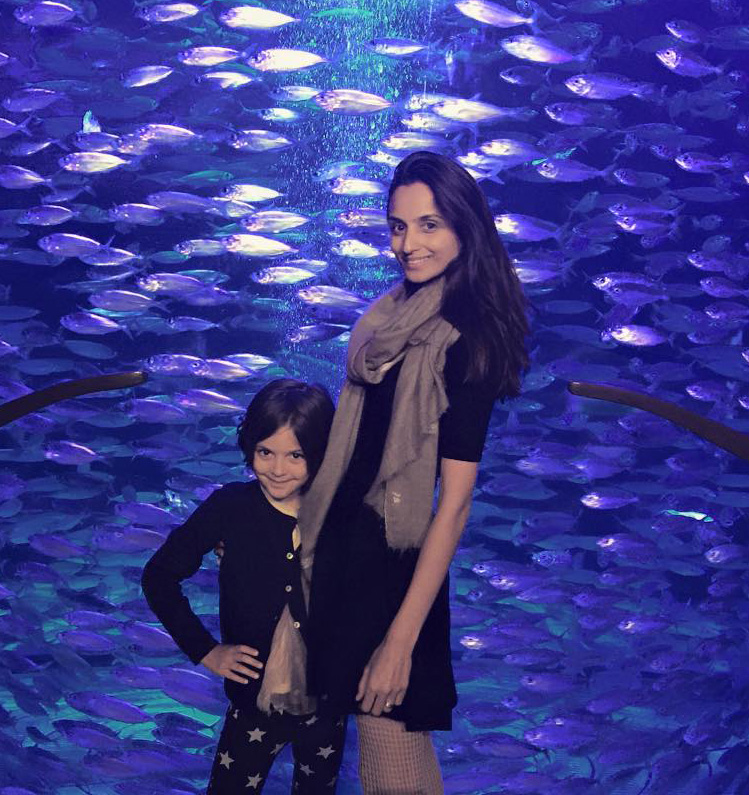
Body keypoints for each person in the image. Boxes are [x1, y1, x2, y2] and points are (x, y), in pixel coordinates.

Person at [297, 151, 529, 793]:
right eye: (398, 226)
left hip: (396, 571)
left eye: (429, 225)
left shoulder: (468, 338)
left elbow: (452, 506)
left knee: (389, 749)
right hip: (350, 554)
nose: (408, 243)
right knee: (393, 760)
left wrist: (401, 639)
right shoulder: (394, 314)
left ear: (465, 227)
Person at [141, 379, 347, 794]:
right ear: (249, 446)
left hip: (328, 705)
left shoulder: (344, 515)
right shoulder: (230, 507)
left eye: (296, 455)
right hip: (251, 703)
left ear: (322, 454)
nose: (277, 468)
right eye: (265, 452)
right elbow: (159, 576)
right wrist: (206, 651)